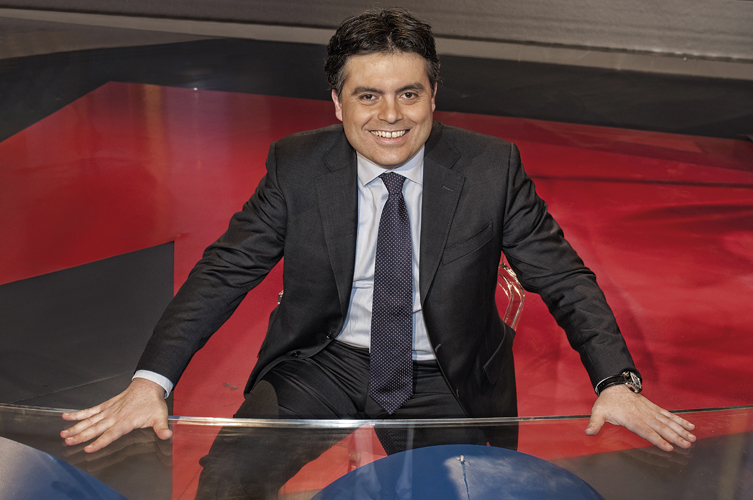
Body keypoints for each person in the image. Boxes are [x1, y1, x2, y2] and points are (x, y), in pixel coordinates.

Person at [61, 6, 695, 473]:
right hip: (327, 359)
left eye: (408, 94)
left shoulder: (490, 168)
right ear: (338, 104)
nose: (390, 115)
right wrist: (152, 382)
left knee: (460, 491)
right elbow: (224, 271)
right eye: (368, 96)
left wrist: (615, 381)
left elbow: (562, 277)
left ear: (433, 95)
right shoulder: (296, 166)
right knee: (230, 473)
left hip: (445, 372)